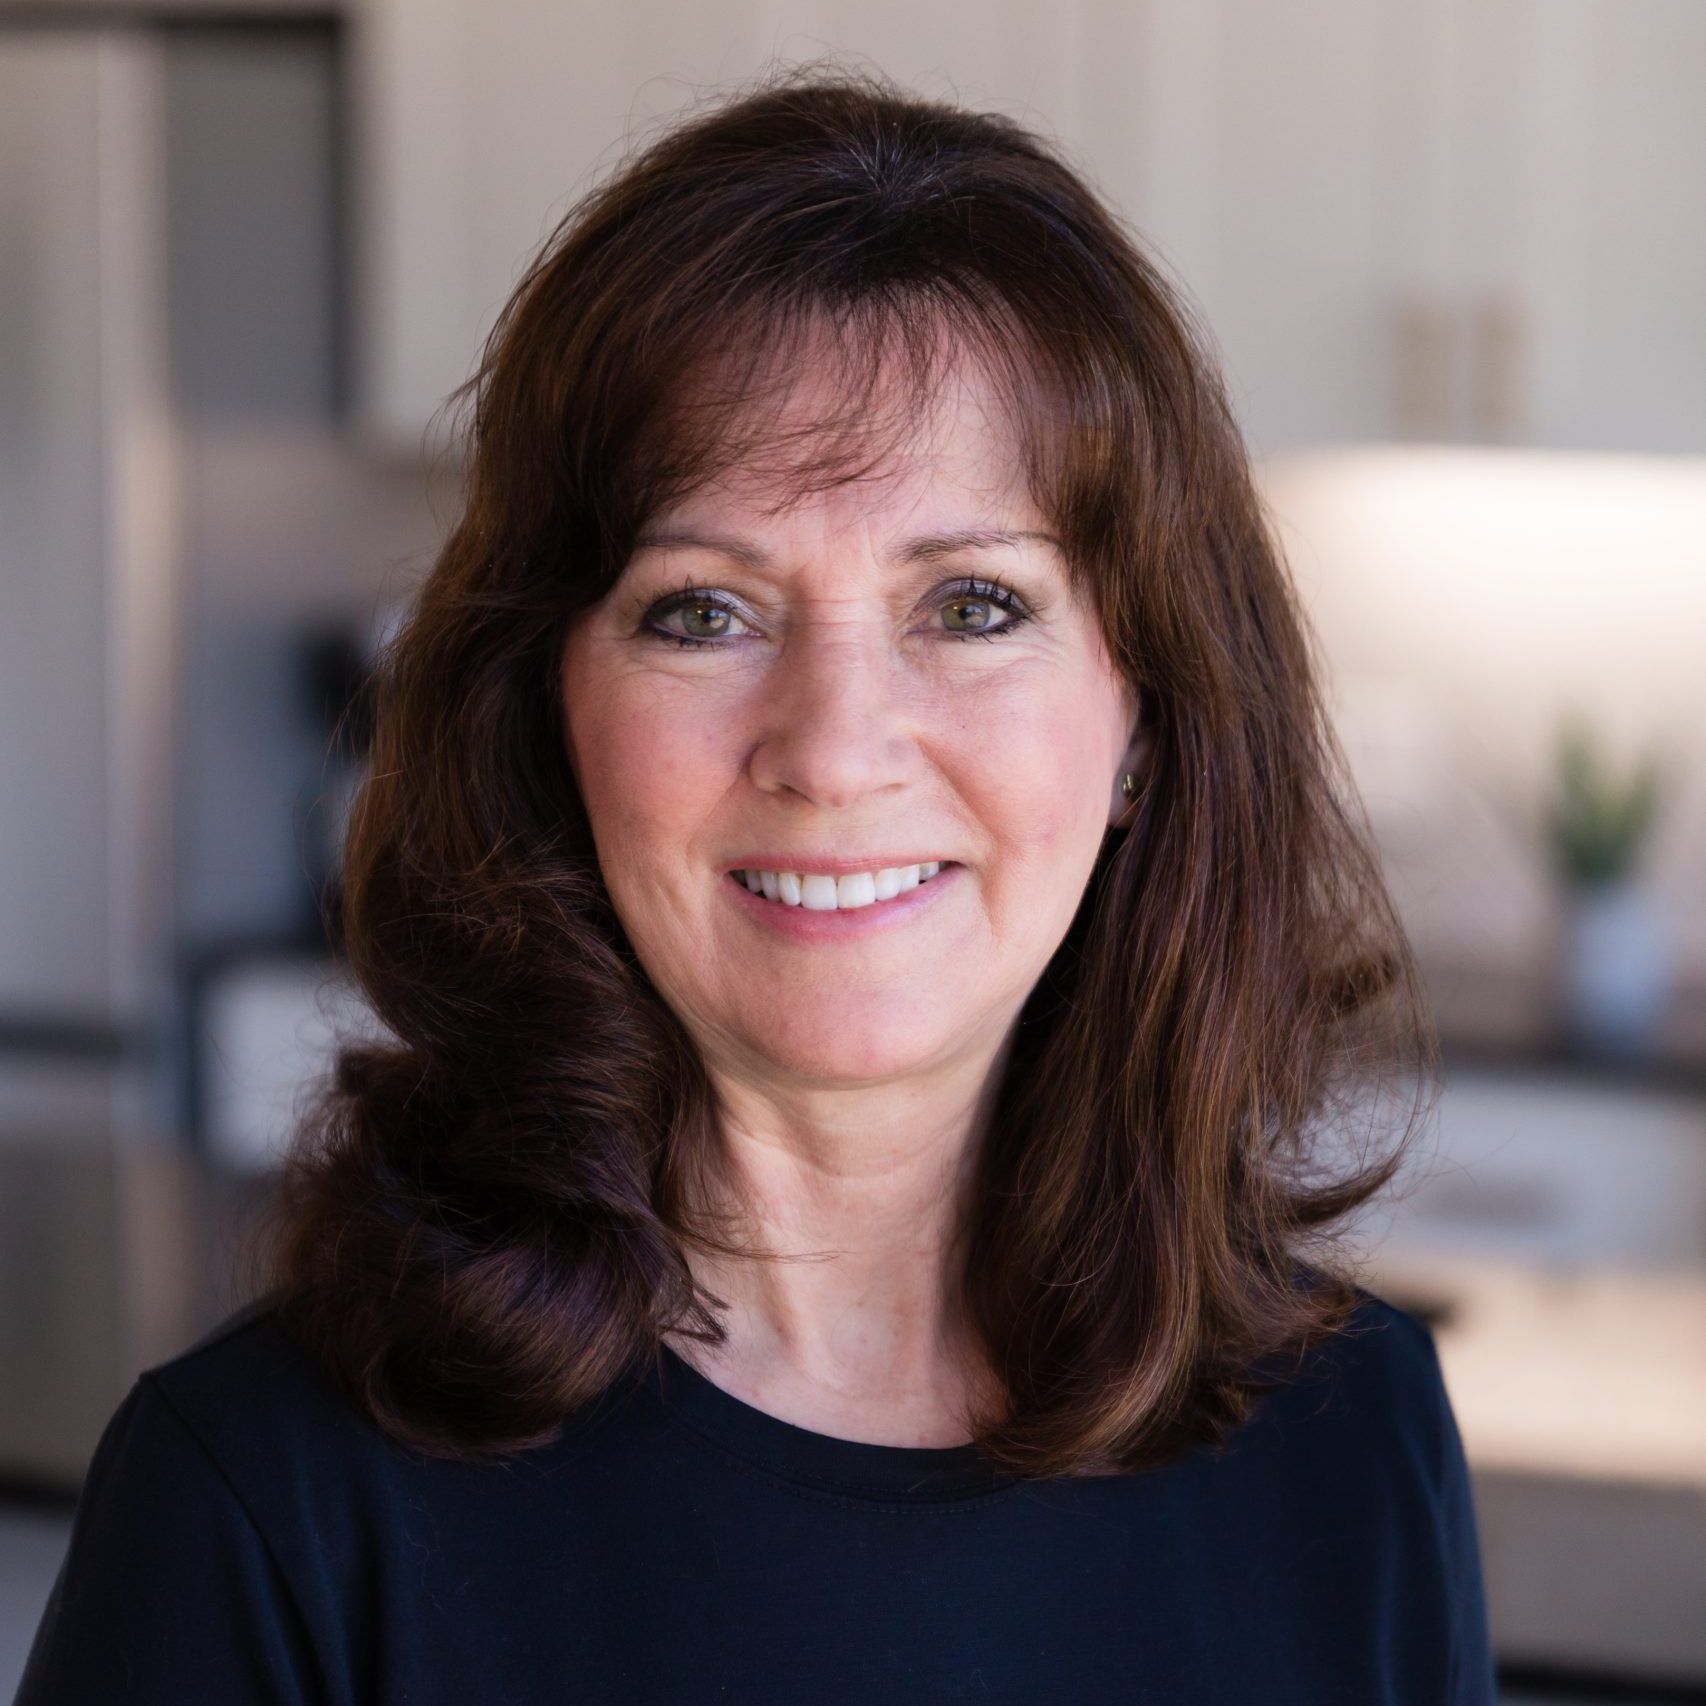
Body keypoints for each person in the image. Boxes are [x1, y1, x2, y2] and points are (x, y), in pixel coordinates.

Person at [18, 62, 1496, 1704]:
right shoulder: (266, 1503)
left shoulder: (1353, 1442)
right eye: (702, 611)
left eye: (974, 605)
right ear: (547, 714)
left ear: (1144, 716)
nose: (836, 745)